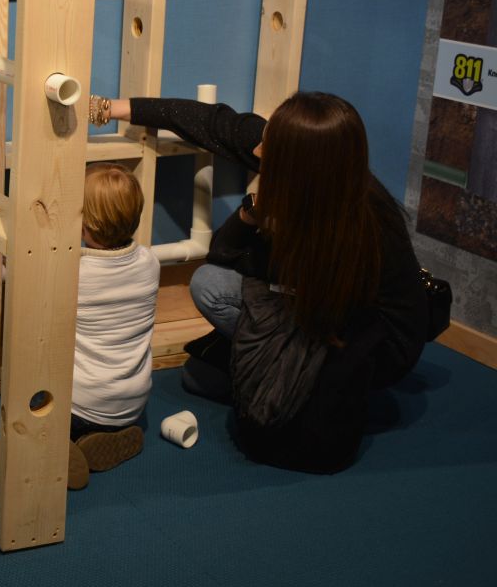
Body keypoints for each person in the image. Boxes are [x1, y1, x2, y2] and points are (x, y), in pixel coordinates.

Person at [88, 92, 428, 473]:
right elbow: (212, 122)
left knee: (231, 380)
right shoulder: (305, 164)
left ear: (299, 161)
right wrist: (112, 108)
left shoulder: (362, 227)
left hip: (367, 343)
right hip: (306, 308)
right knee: (203, 346)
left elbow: (257, 272)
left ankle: (306, 388)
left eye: (270, 143)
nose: (259, 148)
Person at [67, 163, 161, 490]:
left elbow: (18, 281)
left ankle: (56, 449)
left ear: (85, 225)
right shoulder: (150, 263)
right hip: (133, 402)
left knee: (28, 404)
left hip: (82, 405)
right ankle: (111, 436)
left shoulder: (76, 273)